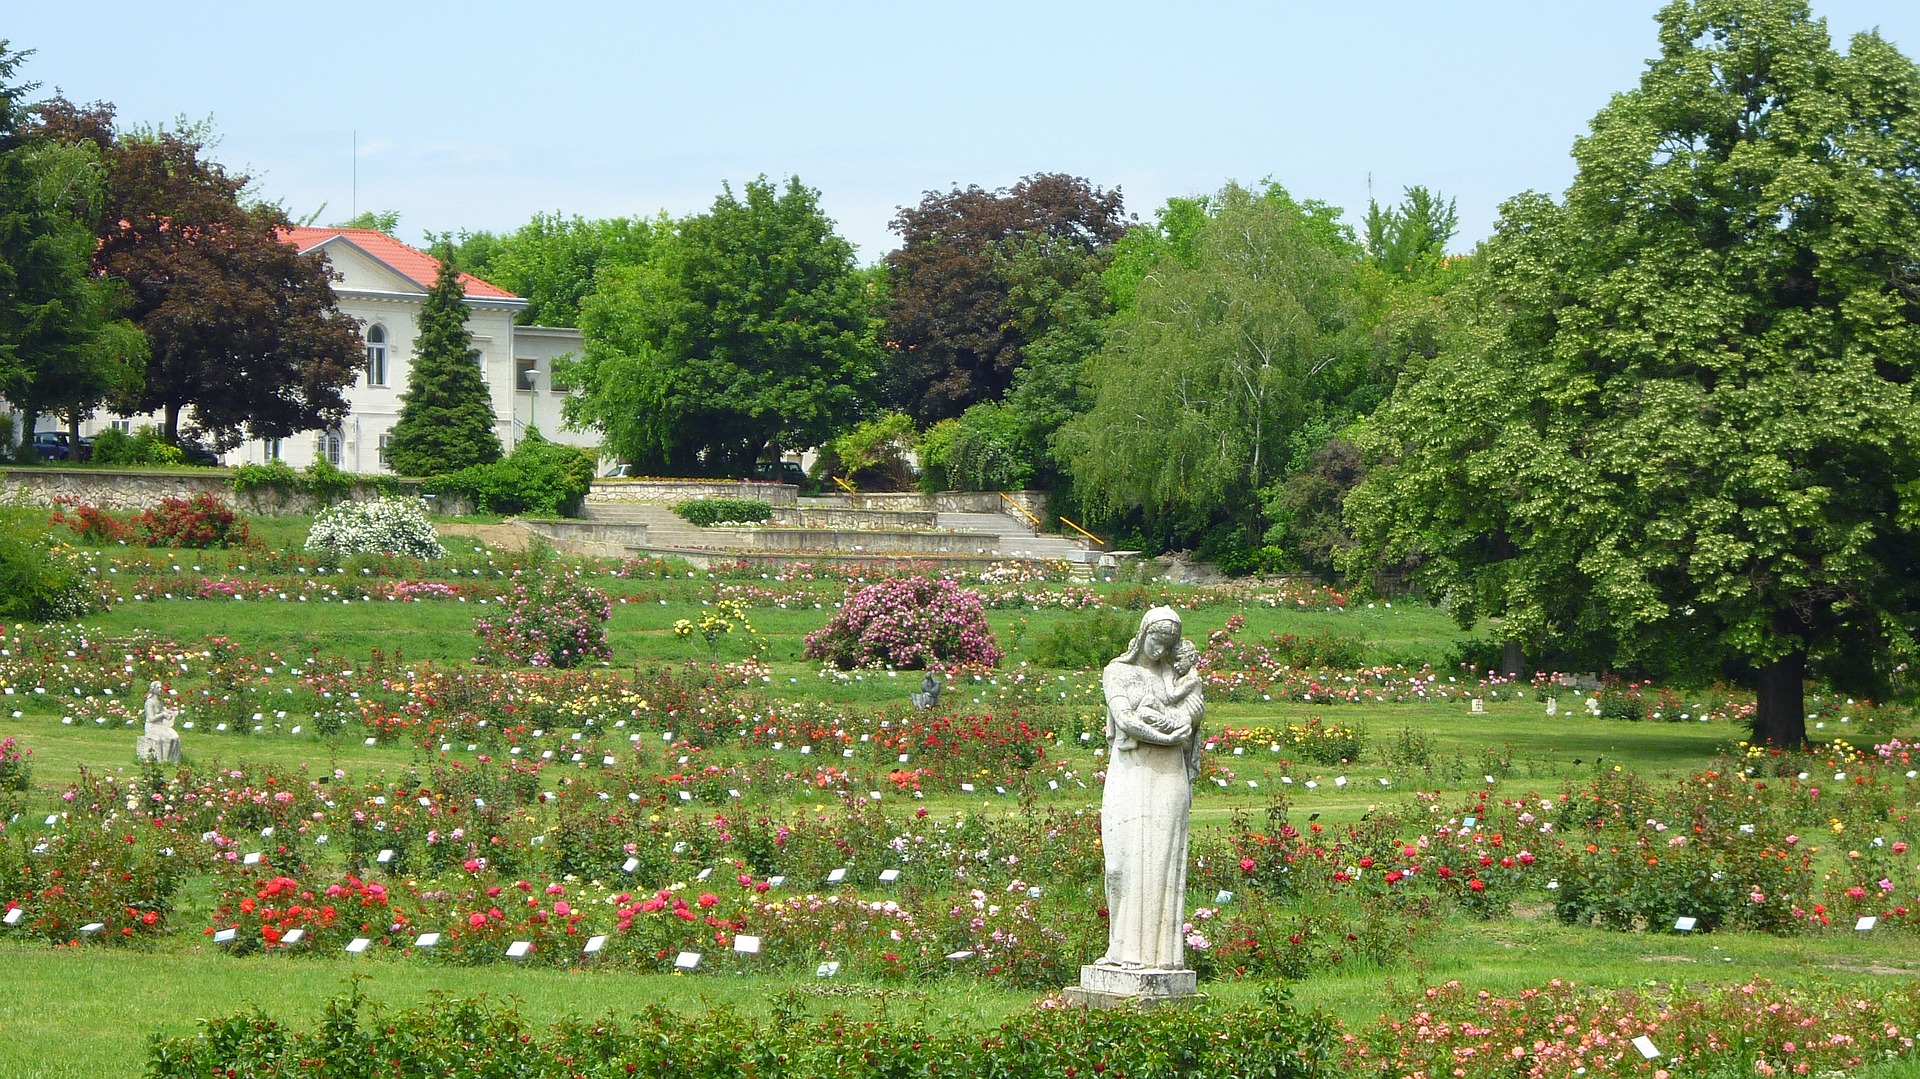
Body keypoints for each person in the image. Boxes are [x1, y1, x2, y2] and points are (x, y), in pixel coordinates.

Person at [1097, 606, 1203, 970]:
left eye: (1169, 641)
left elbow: (1192, 716)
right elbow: (1124, 717)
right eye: (1157, 638)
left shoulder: (1181, 676)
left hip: (1168, 776)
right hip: (1131, 772)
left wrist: (1175, 728)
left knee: (1160, 861)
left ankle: (1157, 959)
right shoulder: (1118, 672)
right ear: (1142, 634)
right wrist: (1165, 733)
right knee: (1120, 866)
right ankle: (1120, 948)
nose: (1161, 647)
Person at [140, 681, 181, 764]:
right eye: (157, 688)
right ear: (153, 689)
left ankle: (173, 759)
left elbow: (163, 710)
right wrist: (163, 715)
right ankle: (164, 760)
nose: (160, 689)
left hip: (161, 725)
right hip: (152, 726)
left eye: (160, 688)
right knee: (167, 738)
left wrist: (171, 712)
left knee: (175, 737)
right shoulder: (150, 702)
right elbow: (151, 718)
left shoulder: (160, 701)